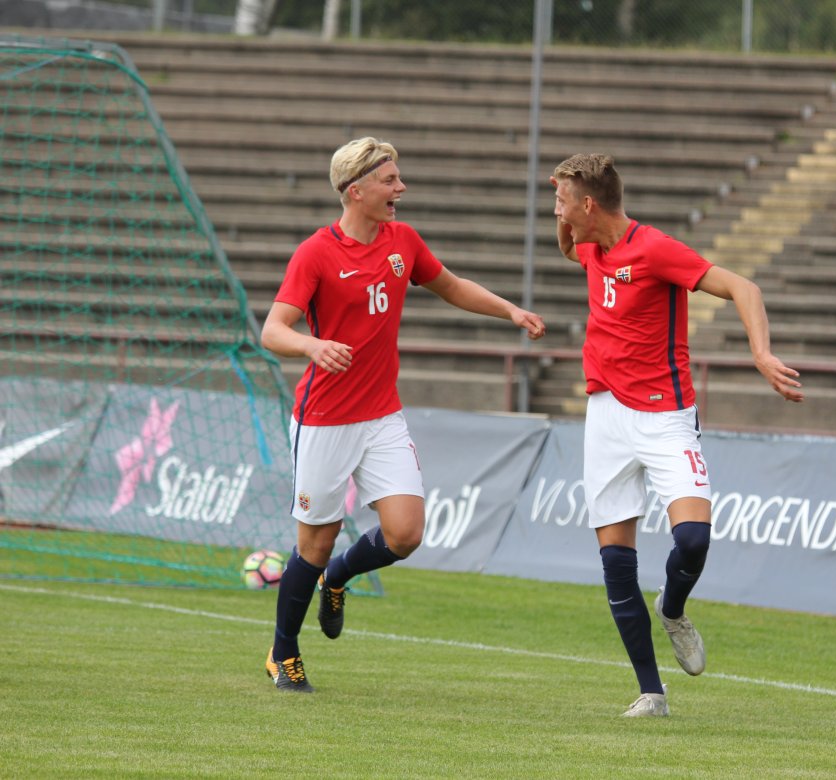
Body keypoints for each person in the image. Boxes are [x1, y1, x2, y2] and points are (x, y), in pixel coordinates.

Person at [260, 137, 546, 692]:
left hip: (381, 416)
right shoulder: (316, 253)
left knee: (406, 533)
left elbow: (451, 286)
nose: (401, 188)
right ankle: (283, 652)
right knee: (313, 545)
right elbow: (273, 330)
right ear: (356, 190)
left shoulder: (404, 241)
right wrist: (313, 346)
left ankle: (339, 577)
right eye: (390, 180)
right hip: (324, 420)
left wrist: (510, 310)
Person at [550, 153, 804, 717]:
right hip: (606, 415)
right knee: (616, 561)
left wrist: (762, 354)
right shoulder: (589, 245)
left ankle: (672, 608)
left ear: (589, 206)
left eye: (563, 202)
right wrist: (563, 204)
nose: (557, 212)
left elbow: (743, 287)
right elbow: (567, 246)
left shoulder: (654, 249)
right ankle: (652, 692)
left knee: (692, 540)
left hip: (665, 416)